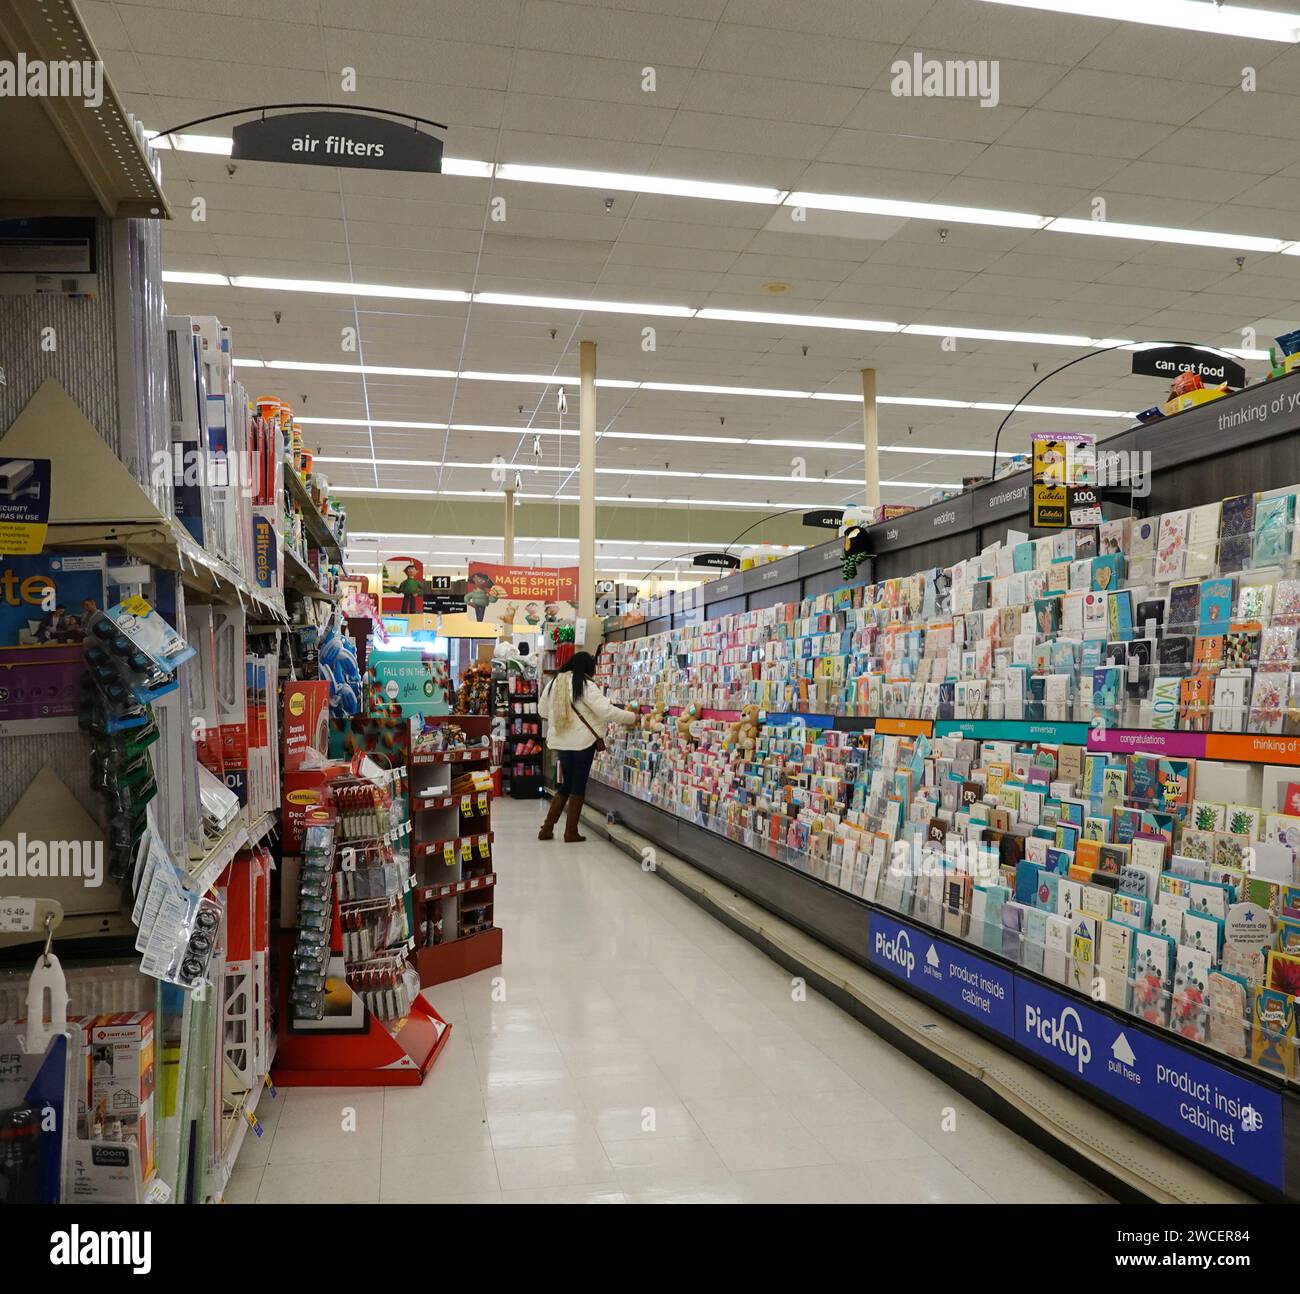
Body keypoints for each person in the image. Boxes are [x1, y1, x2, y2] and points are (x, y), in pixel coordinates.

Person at [536, 651, 636, 843]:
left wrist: (562, 717)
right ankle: (570, 832)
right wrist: (631, 717)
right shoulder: (584, 684)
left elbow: (542, 711)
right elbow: (605, 711)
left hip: (561, 742)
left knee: (566, 783)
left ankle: (547, 828)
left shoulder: (554, 683)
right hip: (583, 743)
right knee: (578, 784)